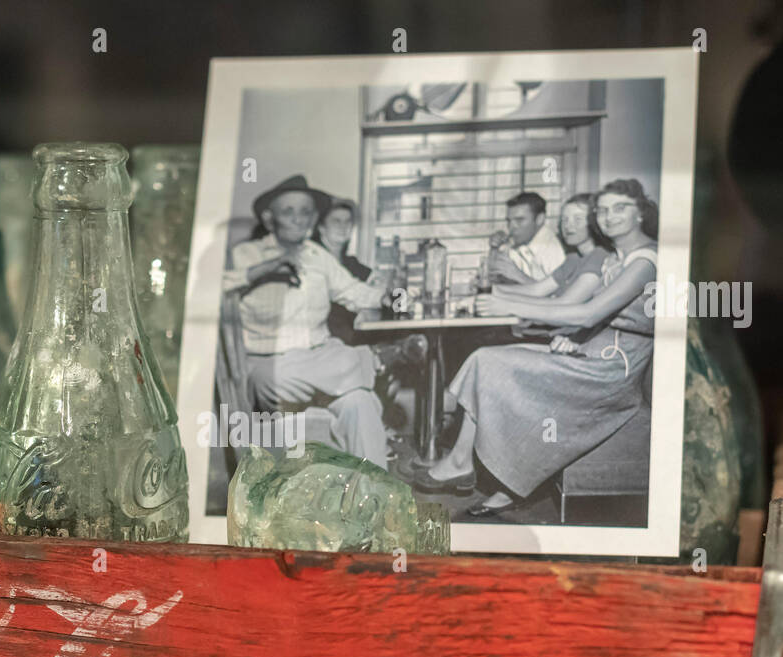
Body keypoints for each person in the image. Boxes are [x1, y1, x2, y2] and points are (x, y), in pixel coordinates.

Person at [423, 179, 659, 516]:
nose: (608, 216)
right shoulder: (616, 258)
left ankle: (498, 476)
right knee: (483, 358)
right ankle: (465, 461)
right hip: (588, 352)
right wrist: (577, 336)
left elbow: (588, 310)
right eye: (603, 209)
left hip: (610, 370)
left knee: (491, 363)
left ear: (641, 213)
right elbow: (593, 317)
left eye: (619, 208)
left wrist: (516, 308)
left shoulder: (645, 261)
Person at [222, 175, 424, 467]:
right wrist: (264, 269)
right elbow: (211, 290)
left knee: (361, 402)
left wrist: (394, 297)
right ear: (269, 218)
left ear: (314, 218)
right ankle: (375, 359)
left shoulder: (318, 256)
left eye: (305, 212)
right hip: (270, 366)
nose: (298, 219)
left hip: (321, 355)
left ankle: (371, 495)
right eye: (288, 211)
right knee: (284, 376)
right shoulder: (244, 254)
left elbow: (352, 290)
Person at [312, 197, 370, 344]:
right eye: (336, 221)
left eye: (348, 221)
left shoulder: (352, 264)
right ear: (321, 227)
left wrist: (399, 295)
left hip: (354, 338)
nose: (343, 226)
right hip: (324, 342)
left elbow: (377, 289)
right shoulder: (313, 261)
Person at [485, 191, 568, 285]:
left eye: (519, 220)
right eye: (509, 221)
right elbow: (492, 276)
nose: (511, 227)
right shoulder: (520, 239)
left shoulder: (552, 249)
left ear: (539, 219)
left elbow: (559, 295)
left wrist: (517, 275)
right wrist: (494, 248)